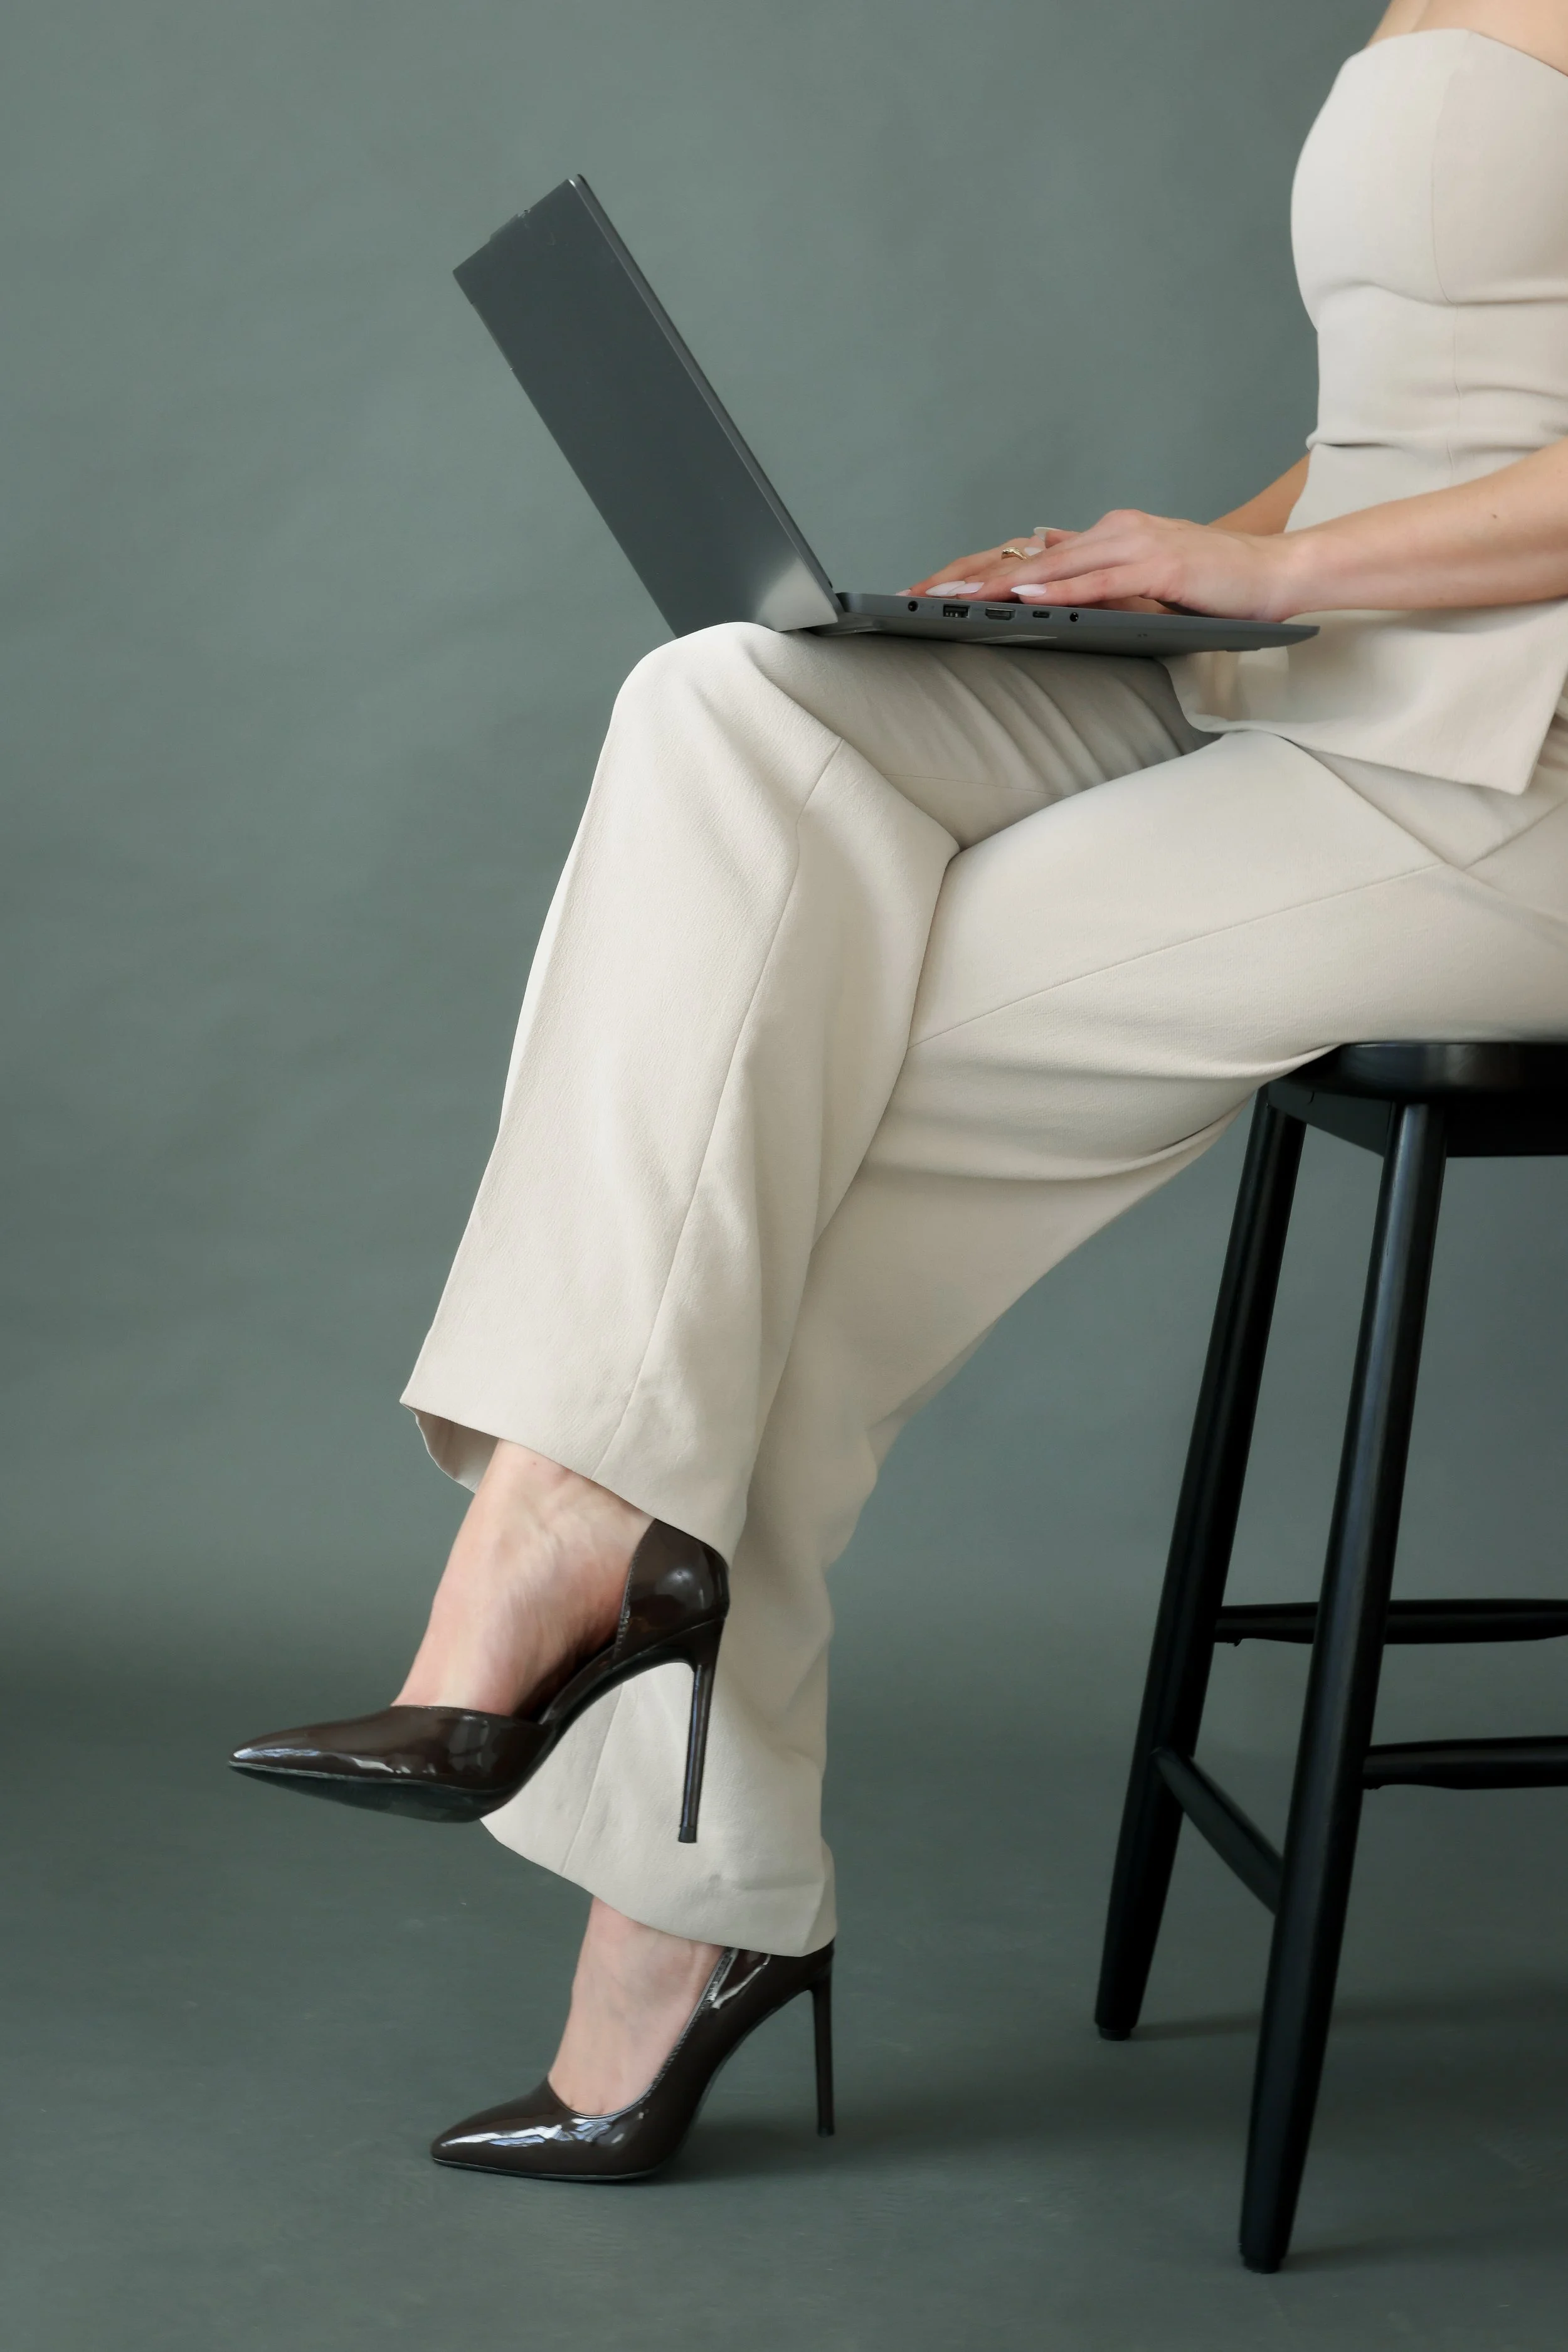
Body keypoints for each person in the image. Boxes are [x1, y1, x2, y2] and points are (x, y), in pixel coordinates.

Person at [233, 0, 1568, 2181]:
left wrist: (1280, 578)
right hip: (1315, 673)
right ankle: (583, 1541)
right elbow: (1423, 432)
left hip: (1508, 771)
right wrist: (1149, 571)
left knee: (796, 1108)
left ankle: (652, 1853)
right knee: (731, 704)